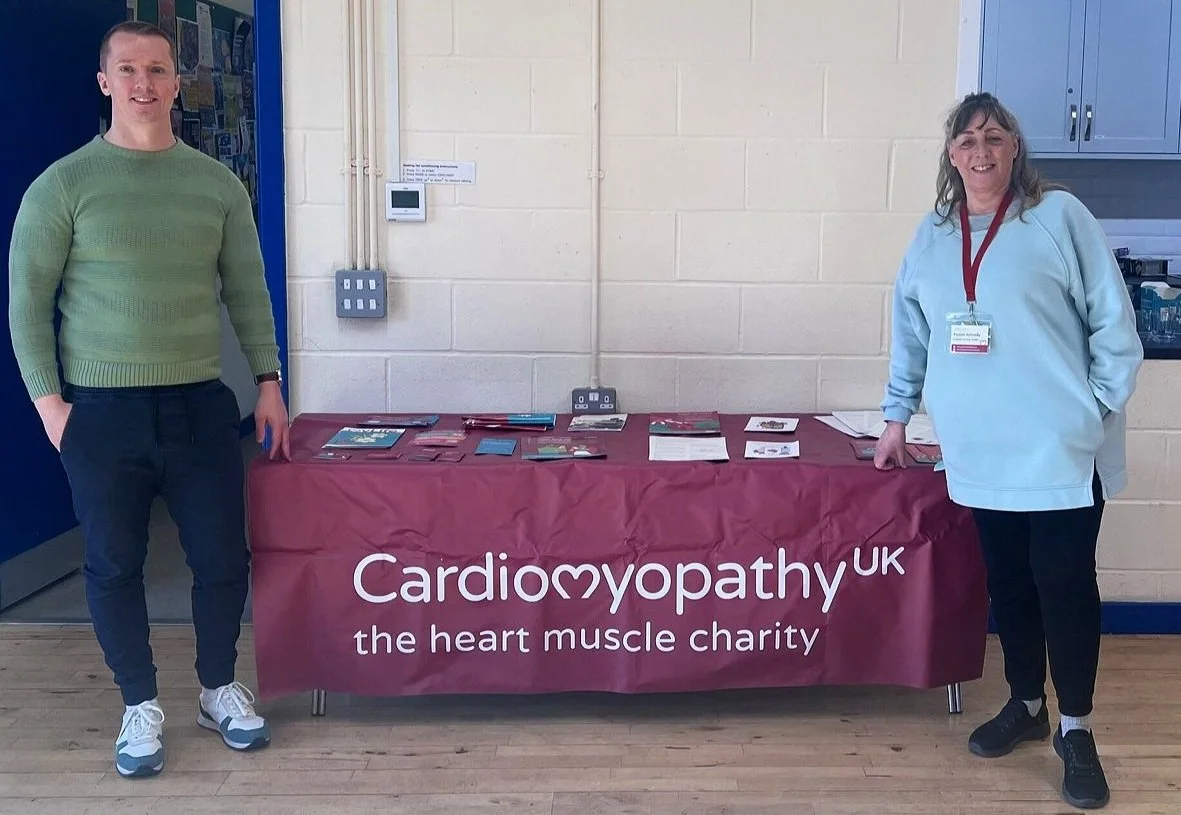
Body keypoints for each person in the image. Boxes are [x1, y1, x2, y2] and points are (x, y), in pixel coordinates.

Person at [7, 21, 291, 778]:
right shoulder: (63, 184)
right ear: (105, 82)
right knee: (112, 564)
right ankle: (139, 702)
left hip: (200, 404)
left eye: (158, 69)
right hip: (99, 413)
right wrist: (51, 408)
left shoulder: (215, 184)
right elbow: (27, 305)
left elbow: (247, 291)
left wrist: (268, 382)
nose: (144, 83)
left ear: (175, 81)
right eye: (127, 69)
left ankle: (218, 686)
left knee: (222, 558)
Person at [875, 92, 1142, 810]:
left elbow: (1114, 325)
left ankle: (1075, 728)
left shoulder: (1058, 217)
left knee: (1062, 586)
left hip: (1056, 450)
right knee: (1010, 585)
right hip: (977, 451)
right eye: (966, 140)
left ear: (1014, 147)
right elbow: (912, 331)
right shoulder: (932, 235)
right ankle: (1026, 703)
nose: (980, 151)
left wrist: (1092, 409)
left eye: (994, 137)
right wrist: (895, 415)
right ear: (950, 154)